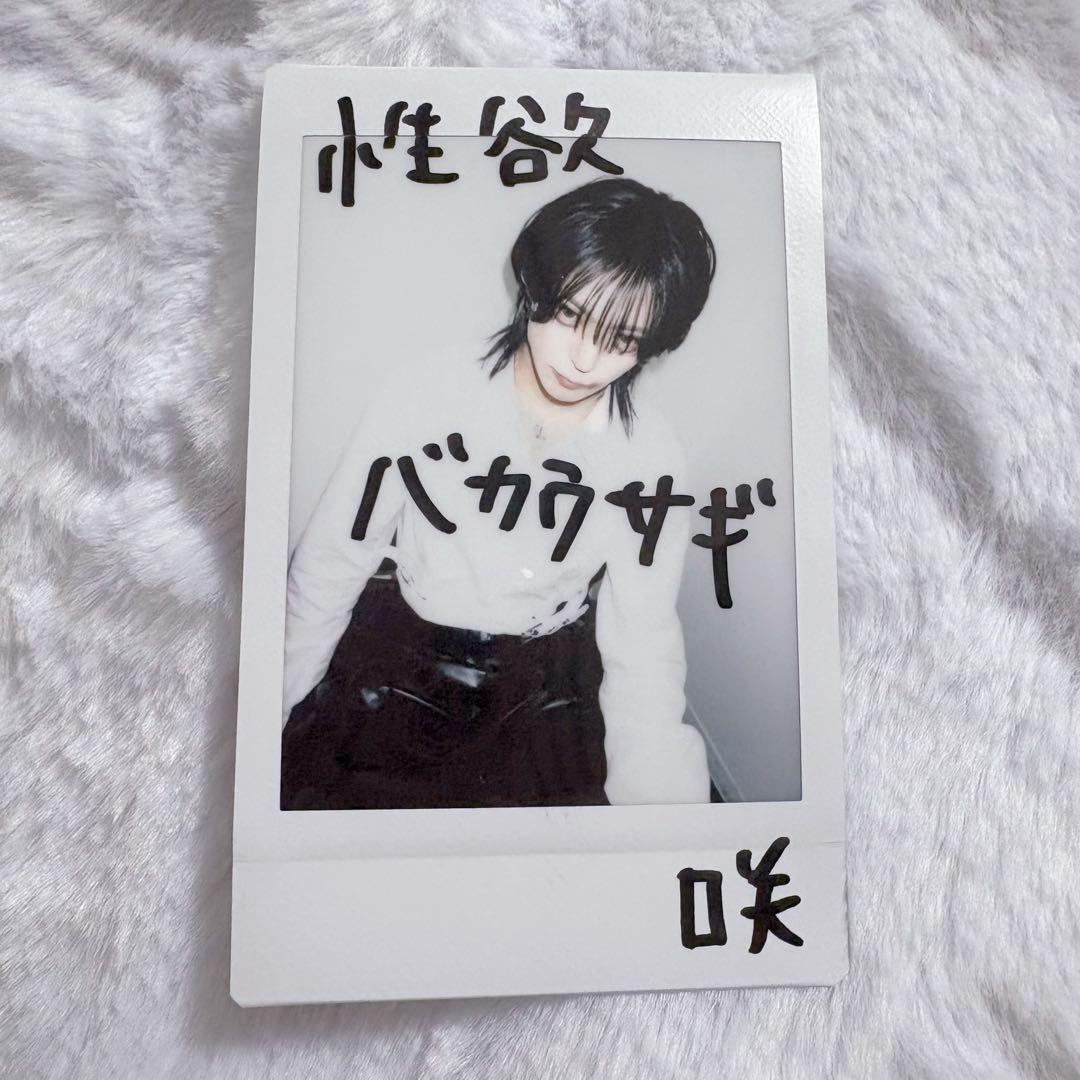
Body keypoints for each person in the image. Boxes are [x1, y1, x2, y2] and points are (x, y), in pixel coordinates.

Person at [280, 176, 717, 810]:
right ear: (535, 285)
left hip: (544, 677)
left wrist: (661, 817)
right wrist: (270, 707)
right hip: (405, 650)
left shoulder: (652, 457)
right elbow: (333, 559)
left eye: (621, 340)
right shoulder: (424, 393)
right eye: (569, 315)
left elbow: (644, 641)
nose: (583, 360)